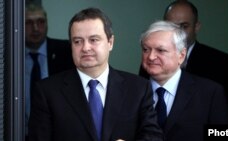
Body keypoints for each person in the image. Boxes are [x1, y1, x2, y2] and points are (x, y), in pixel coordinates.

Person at [28, 7, 163, 141]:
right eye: (78, 41)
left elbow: (153, 136)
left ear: (110, 42)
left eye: (93, 40)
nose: (86, 48)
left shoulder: (138, 88)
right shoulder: (47, 91)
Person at [140, 20, 228, 141]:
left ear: (181, 55)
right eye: (146, 49)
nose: (151, 57)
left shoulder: (210, 92)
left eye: (160, 50)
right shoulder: (131, 90)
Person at [138, 0, 228, 114]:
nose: (177, 31)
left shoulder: (220, 62)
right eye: (171, 25)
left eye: (184, 26)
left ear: (196, 27)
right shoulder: (152, 62)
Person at [25, 3, 74, 139]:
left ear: (47, 23)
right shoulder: (11, 57)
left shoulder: (66, 51)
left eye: (40, 22)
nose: (35, 28)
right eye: (28, 23)